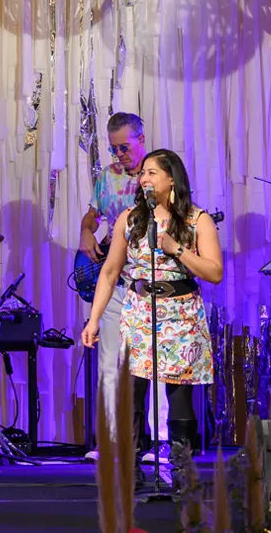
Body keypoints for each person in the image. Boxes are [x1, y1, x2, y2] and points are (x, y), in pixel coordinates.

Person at [81, 149, 223, 488]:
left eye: (152, 173)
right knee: (133, 392)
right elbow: (110, 273)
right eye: (142, 173)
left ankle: (181, 473)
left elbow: (215, 272)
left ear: (171, 178)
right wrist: (94, 319)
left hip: (181, 309)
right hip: (140, 309)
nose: (144, 178)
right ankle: (131, 472)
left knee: (179, 397)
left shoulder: (196, 219)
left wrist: (177, 249)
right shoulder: (130, 219)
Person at [79, 112, 165, 459]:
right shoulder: (108, 176)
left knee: (156, 362)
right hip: (114, 280)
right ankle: (112, 441)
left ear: (141, 140)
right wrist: (86, 230)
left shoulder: (159, 174)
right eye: (114, 149)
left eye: (125, 148)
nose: (120, 156)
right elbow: (92, 215)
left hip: (149, 281)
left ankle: (159, 443)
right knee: (109, 361)